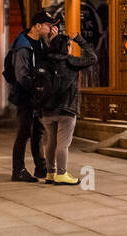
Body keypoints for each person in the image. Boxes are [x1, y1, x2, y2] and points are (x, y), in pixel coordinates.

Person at [38, 30, 97, 187]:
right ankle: (62, 173)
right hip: (66, 109)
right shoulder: (70, 62)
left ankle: (50, 173)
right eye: (69, 46)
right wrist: (79, 39)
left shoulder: (45, 61)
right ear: (66, 47)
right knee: (62, 144)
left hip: (46, 109)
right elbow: (93, 57)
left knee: (50, 141)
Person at [8, 11, 54, 182]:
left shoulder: (40, 43)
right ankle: (18, 169)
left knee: (38, 132)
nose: (51, 28)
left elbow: (47, 62)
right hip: (24, 96)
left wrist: (50, 42)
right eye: (48, 26)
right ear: (38, 25)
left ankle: (41, 167)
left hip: (36, 95)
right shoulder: (23, 45)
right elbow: (21, 76)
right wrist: (35, 90)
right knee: (24, 132)